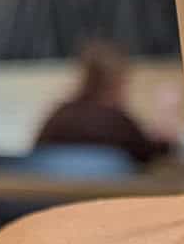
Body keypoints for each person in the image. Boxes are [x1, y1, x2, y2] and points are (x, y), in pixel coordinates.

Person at [35, 41, 174, 165]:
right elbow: (151, 153)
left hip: (56, 193)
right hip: (116, 193)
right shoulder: (118, 123)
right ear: (117, 82)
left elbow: (37, 152)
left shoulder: (59, 117)